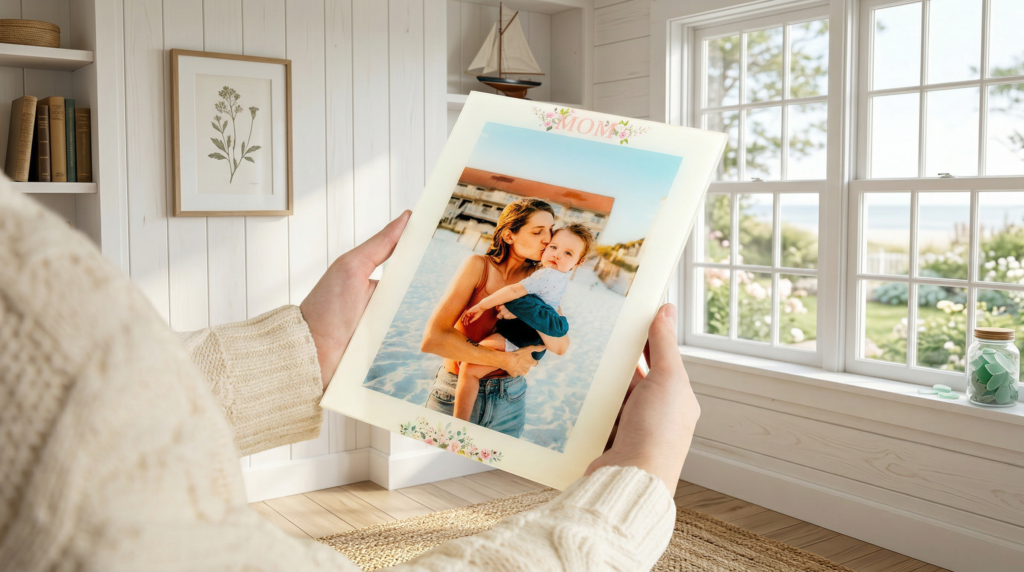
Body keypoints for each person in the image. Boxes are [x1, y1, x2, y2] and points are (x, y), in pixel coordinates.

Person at [0, 175, 701, 571]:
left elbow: (91, 413)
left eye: (559, 240)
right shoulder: (484, 268)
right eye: (541, 232)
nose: (551, 244)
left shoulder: (544, 282)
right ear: (513, 231)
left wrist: (305, 345)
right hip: (481, 373)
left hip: (511, 380)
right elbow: (441, 338)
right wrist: (639, 479)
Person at [421, 198, 571, 437]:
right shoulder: (478, 266)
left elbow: (560, 344)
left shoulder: (540, 280)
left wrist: (526, 308)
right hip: (454, 394)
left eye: (550, 230)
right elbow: (433, 339)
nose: (548, 238)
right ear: (510, 235)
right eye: (537, 231)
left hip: (510, 400)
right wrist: (506, 361)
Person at [453, 223, 594, 421]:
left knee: (468, 368)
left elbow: (513, 292)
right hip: (525, 336)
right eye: (553, 247)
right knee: (472, 364)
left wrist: (483, 305)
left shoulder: (547, 275)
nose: (557, 255)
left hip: (521, 336)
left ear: (578, 263)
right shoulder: (559, 278)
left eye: (568, 253)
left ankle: (459, 422)